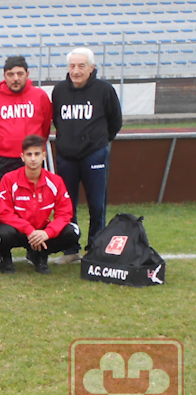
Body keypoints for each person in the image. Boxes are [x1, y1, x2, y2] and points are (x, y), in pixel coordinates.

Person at [52, 47, 122, 263]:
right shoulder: (59, 90)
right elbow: (57, 120)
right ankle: (70, 250)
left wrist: (97, 142)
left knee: (97, 204)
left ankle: (95, 249)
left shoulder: (104, 89)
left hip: (95, 155)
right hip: (66, 156)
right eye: (72, 66)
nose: (76, 70)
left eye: (81, 66)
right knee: (66, 205)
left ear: (91, 68)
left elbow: (115, 121)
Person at [0, 135, 80, 274]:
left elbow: (64, 213)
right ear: (22, 157)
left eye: (37, 154)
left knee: (72, 232)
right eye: (29, 154)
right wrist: (28, 229)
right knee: (3, 231)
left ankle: (40, 256)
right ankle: (5, 258)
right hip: (20, 231)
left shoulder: (55, 181)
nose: (33, 159)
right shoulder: (9, 179)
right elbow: (4, 213)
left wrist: (48, 232)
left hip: (42, 231)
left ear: (44, 156)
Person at [0, 56, 52, 199]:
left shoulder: (40, 96)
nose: (15, 78)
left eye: (20, 74)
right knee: (1, 202)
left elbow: (45, 126)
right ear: (4, 76)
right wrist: (4, 145)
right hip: (2, 160)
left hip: (32, 158)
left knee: (34, 201)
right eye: (10, 74)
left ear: (27, 75)